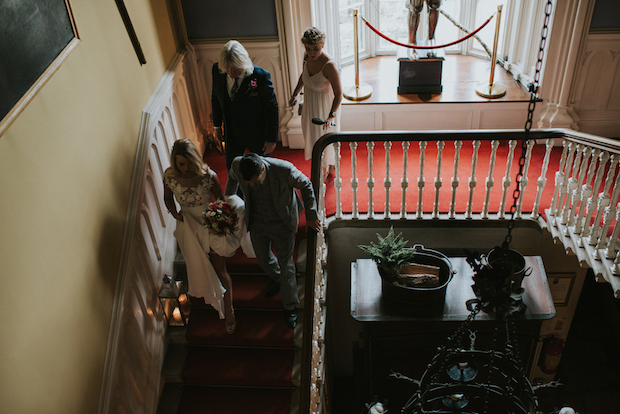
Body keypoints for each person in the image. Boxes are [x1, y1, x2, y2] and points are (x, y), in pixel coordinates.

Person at [164, 139, 254, 334]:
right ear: (175, 162)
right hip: (188, 227)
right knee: (199, 266)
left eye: (189, 162)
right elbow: (167, 198)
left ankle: (229, 311)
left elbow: (220, 202)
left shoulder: (208, 176)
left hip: (209, 225)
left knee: (220, 270)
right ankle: (214, 298)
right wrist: (174, 213)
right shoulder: (170, 177)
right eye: (181, 163)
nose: (186, 168)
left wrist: (218, 222)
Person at [225, 153, 320, 329]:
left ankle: (290, 306)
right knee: (262, 258)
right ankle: (280, 279)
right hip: (257, 222)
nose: (252, 185)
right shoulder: (238, 164)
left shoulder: (283, 169)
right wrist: (227, 201)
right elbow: (232, 179)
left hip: (283, 222)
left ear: (262, 169)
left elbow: (306, 184)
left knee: (286, 262)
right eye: (249, 183)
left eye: (254, 181)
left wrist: (311, 215)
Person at [211, 40, 279, 182]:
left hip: (256, 133)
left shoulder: (259, 76)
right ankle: (240, 199)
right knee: (232, 169)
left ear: (243, 63)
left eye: (235, 68)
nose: (230, 72)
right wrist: (217, 126)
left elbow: (272, 108)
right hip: (232, 133)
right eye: (227, 68)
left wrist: (271, 138)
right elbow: (215, 98)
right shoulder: (217, 71)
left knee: (261, 169)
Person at [289, 27, 342, 179]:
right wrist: (295, 94)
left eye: (316, 49)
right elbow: (303, 76)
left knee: (324, 137)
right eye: (308, 48)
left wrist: (330, 116)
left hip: (325, 107)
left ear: (323, 45)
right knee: (311, 136)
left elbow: (339, 94)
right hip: (310, 104)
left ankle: (323, 170)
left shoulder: (329, 65)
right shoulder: (306, 57)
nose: (312, 53)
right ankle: (328, 165)